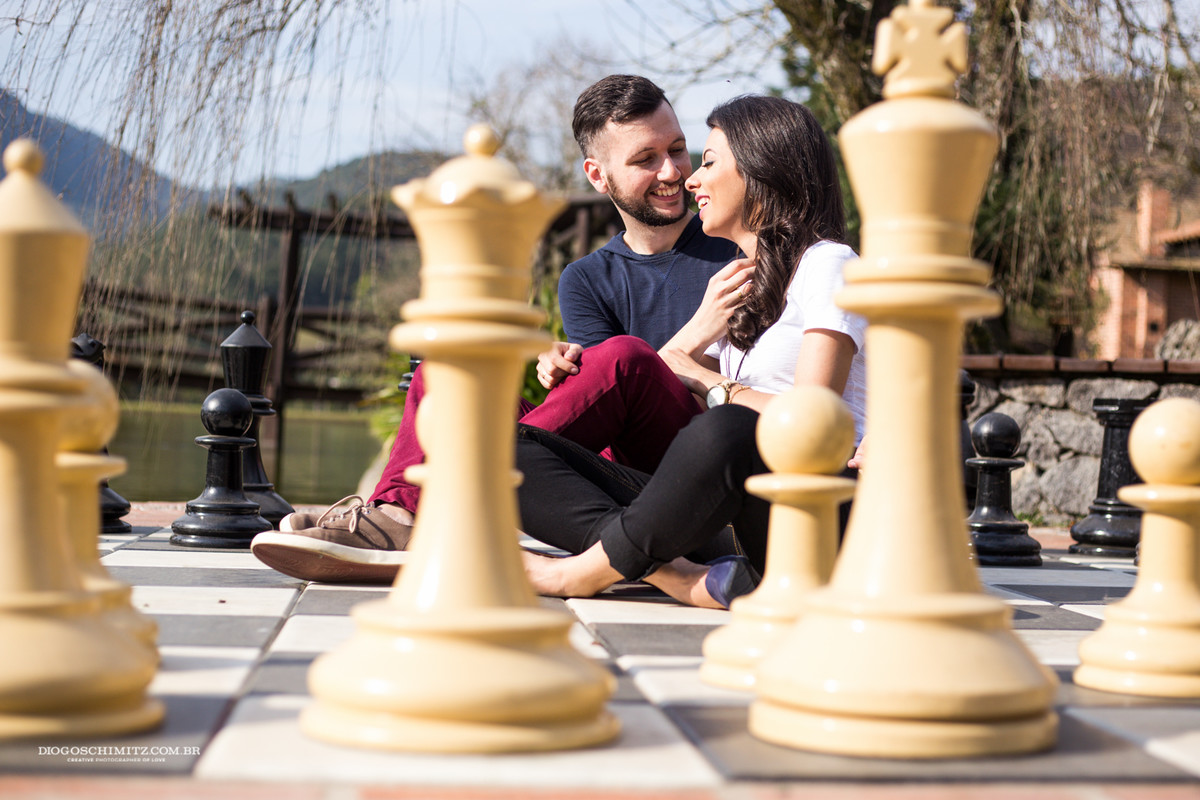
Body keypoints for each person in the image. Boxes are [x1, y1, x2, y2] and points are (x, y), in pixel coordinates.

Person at [250, 75, 739, 582]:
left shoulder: (733, 246)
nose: (672, 171)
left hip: (698, 475)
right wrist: (581, 370)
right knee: (450, 370)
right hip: (617, 486)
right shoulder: (587, 279)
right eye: (645, 159)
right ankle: (398, 513)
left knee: (625, 359)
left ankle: (431, 509)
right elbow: (609, 411)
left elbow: (698, 395)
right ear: (598, 175)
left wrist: (622, 361)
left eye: (679, 149)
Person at [513, 94, 867, 609]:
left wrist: (714, 384)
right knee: (506, 450)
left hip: (815, 512)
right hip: (739, 522)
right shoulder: (748, 289)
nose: (689, 179)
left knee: (724, 429)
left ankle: (580, 573)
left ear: (761, 170)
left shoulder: (829, 263)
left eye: (705, 161)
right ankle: (676, 576)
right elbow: (658, 396)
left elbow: (811, 424)